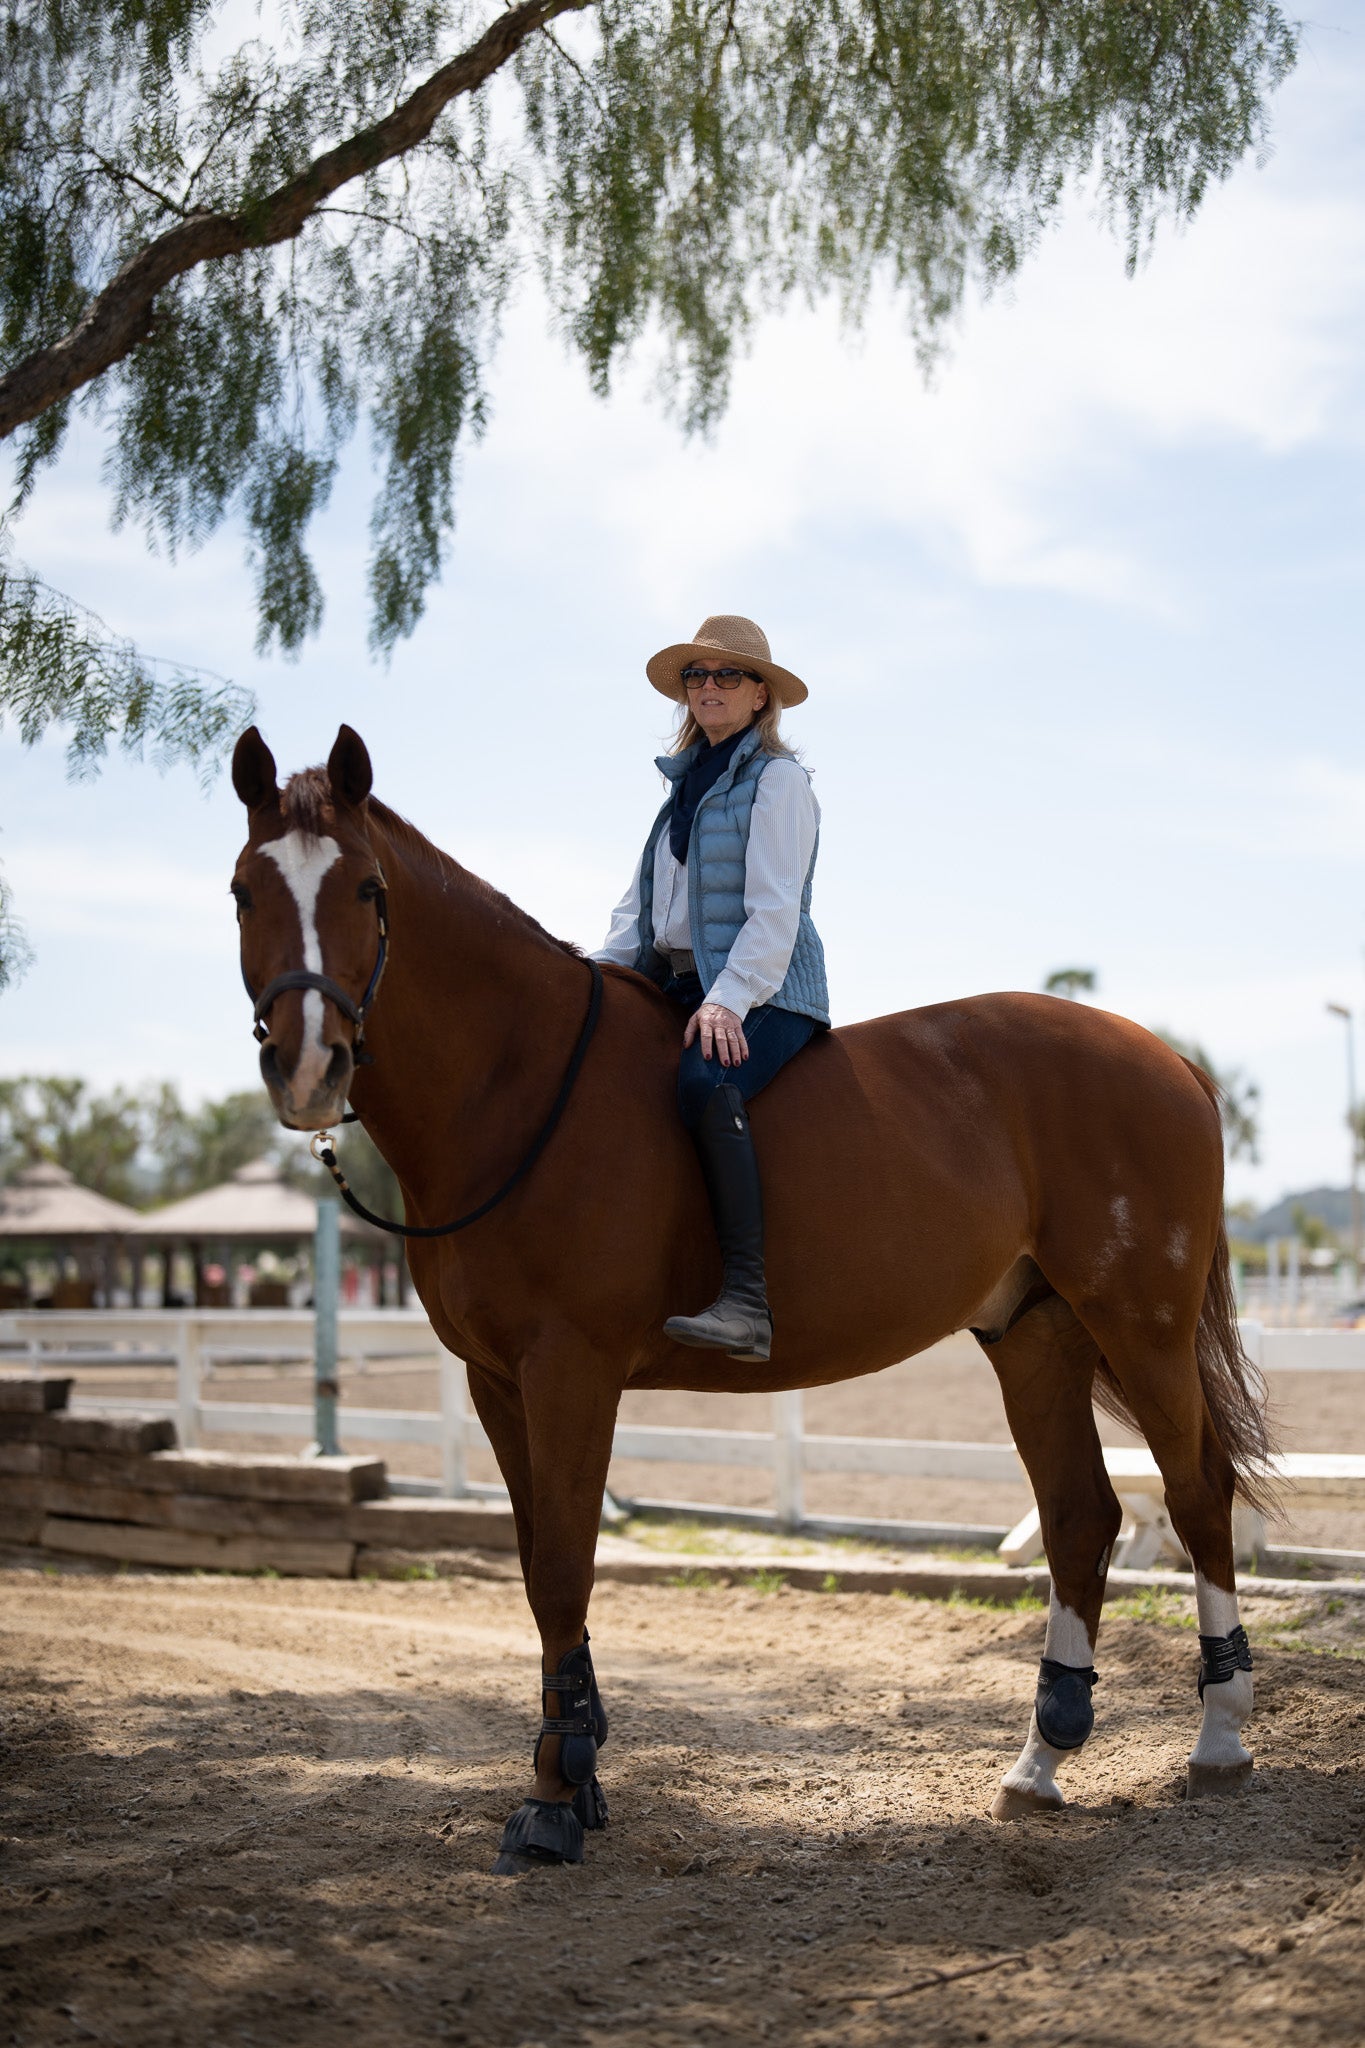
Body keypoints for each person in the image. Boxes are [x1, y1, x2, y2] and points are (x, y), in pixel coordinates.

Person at [594, 614, 828, 1361]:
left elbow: (774, 907)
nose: (708, 687)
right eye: (697, 676)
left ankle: (747, 1300)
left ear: (761, 696)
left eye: (727, 676)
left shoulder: (778, 781)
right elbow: (642, 914)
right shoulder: (679, 794)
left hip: (768, 990)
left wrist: (728, 996)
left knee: (704, 1083)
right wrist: (597, 983)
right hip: (679, 984)